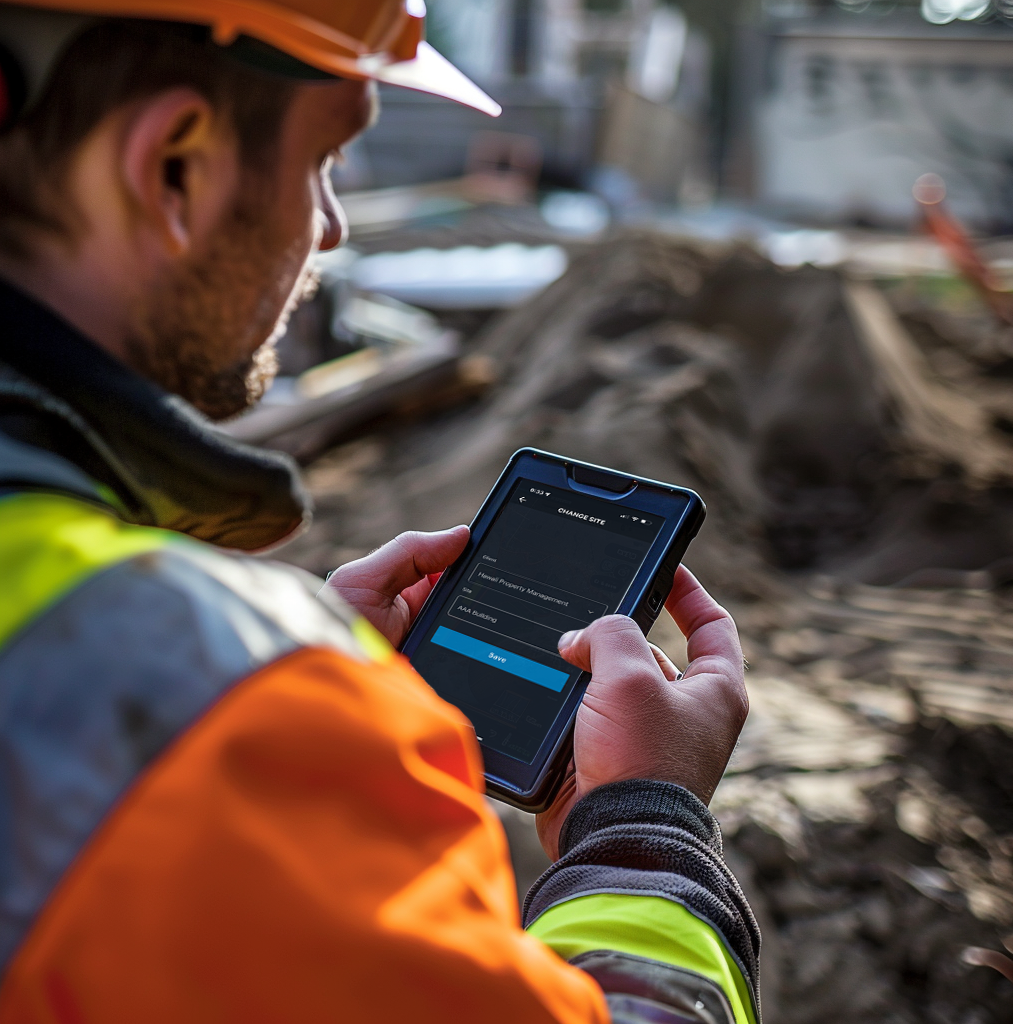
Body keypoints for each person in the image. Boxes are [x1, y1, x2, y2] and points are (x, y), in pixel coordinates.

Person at [0, 2, 758, 1021]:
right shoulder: (210, 719)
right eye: (325, 158)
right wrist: (644, 829)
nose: (330, 225)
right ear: (172, 166)